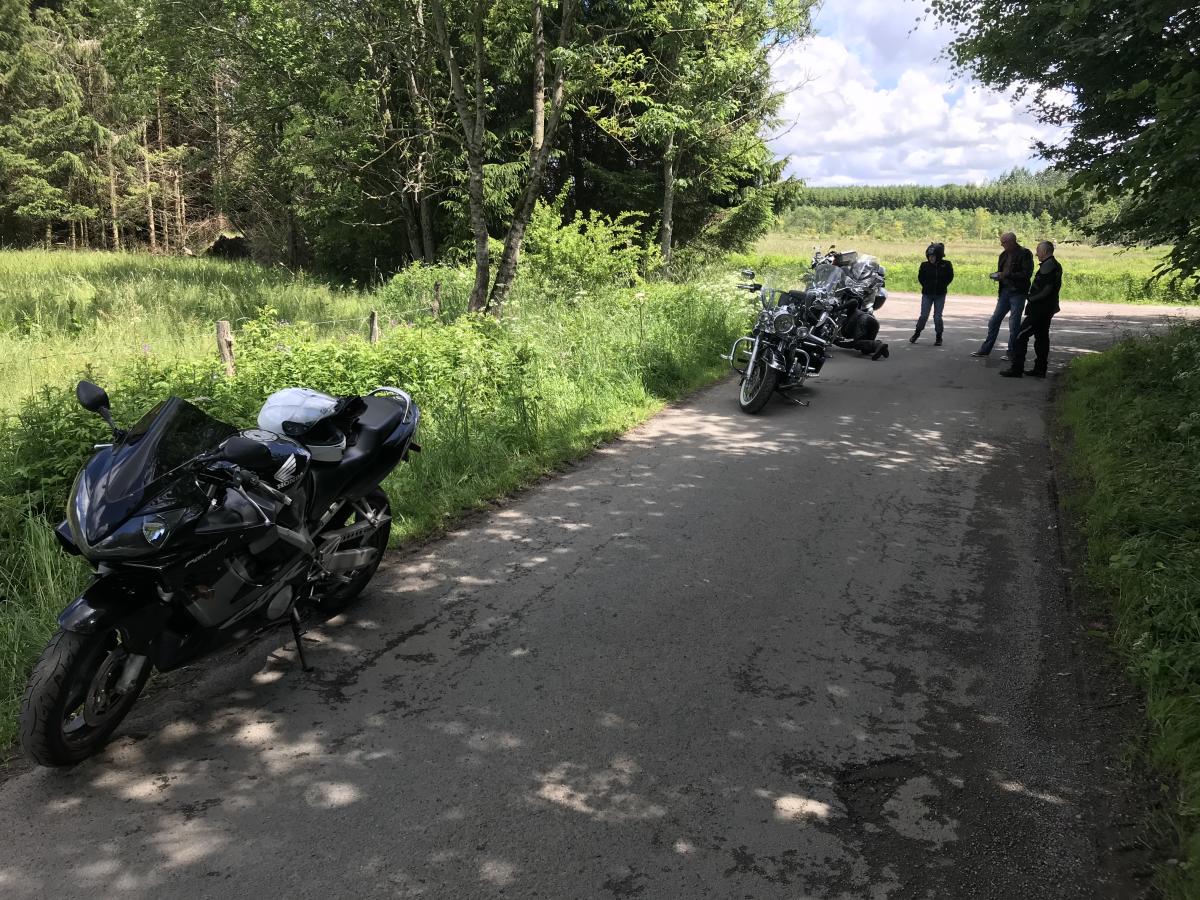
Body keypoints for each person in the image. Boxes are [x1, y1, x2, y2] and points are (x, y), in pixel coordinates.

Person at [1000, 241, 1062, 378]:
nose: (1036, 254)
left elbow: (1047, 289)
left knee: (1020, 335)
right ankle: (1040, 369)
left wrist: (1031, 298)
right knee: (1041, 338)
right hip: (1047, 308)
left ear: (1045, 252)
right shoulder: (1054, 265)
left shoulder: (1049, 266)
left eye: (1038, 251)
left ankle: (1017, 368)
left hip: (1040, 309)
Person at [971, 232, 1034, 360]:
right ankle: (985, 350)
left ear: (1012, 242)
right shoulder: (1003, 255)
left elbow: (1026, 274)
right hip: (1004, 292)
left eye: (1003, 242)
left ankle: (1012, 353)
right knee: (994, 321)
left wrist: (1006, 275)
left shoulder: (1025, 253)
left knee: (1014, 324)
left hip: (1018, 293)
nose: (1001, 245)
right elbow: (1002, 272)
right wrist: (997, 275)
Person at [910, 242, 954, 345]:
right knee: (924, 315)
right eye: (929, 256)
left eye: (933, 256)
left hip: (940, 294)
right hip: (927, 294)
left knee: (937, 317)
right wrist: (927, 286)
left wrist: (942, 285)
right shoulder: (924, 265)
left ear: (939, 256)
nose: (931, 258)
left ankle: (939, 337)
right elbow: (921, 277)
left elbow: (950, 277)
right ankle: (917, 333)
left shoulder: (946, 264)